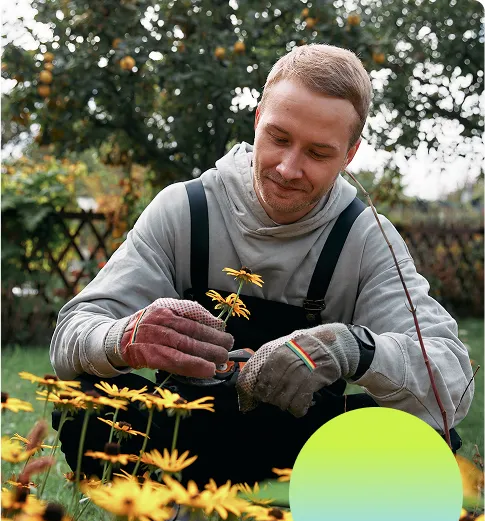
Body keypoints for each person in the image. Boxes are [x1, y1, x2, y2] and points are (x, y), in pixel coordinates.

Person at [50, 44, 473, 490]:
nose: (289, 169)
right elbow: (70, 336)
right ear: (257, 121)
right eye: (279, 138)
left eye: (318, 153)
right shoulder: (186, 209)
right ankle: (155, 520)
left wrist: (353, 349)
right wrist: (124, 339)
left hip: (302, 457)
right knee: (80, 403)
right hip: (177, 443)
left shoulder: (366, 237)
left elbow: (451, 383)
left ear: (350, 155)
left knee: (426, 438)